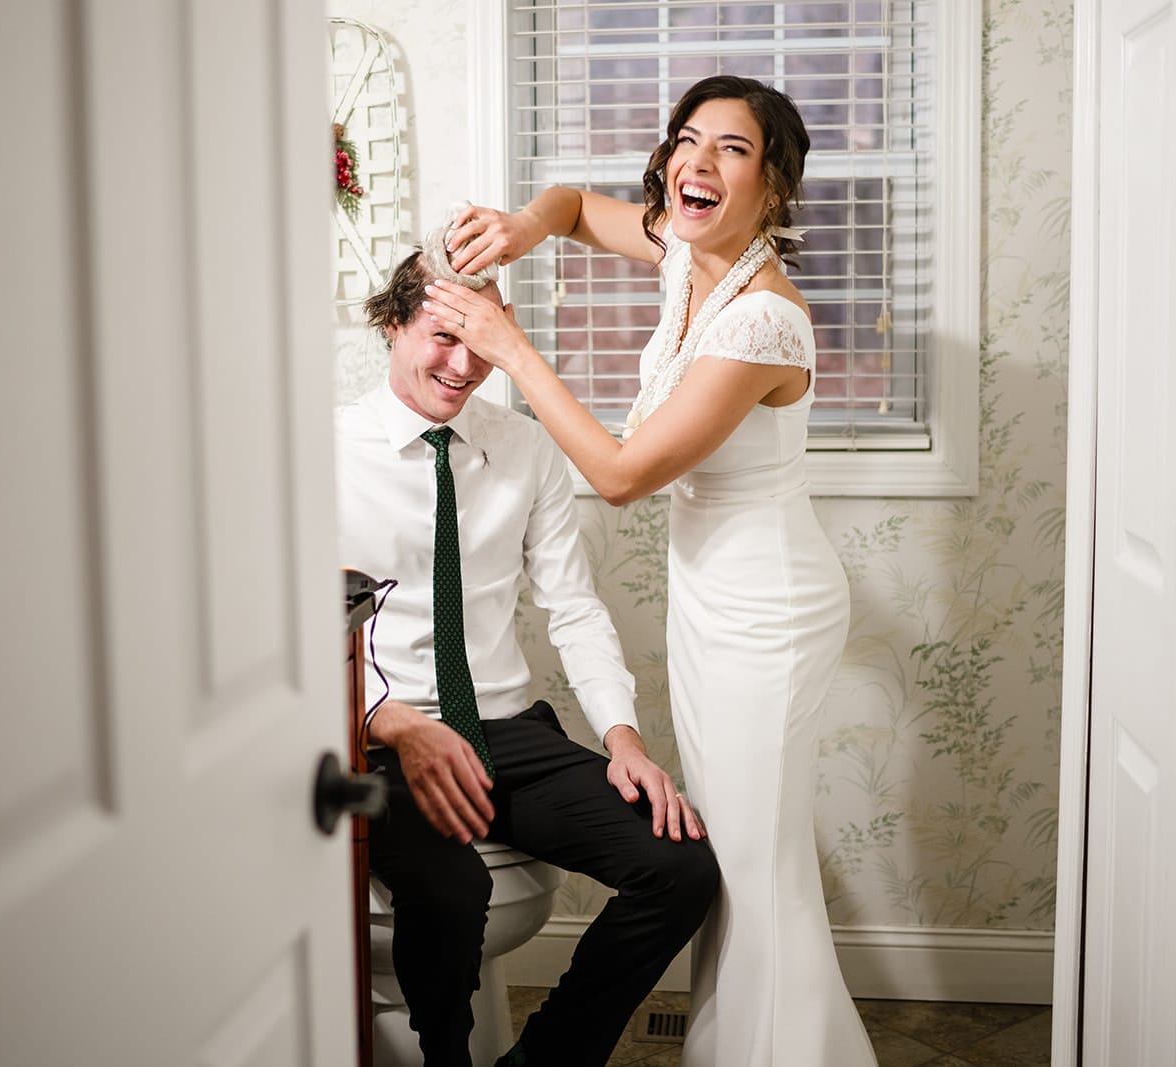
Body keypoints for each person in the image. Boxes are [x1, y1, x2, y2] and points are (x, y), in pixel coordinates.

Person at [420, 75, 879, 1067]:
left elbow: (621, 475)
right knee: (734, 860)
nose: (696, 163)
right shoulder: (686, 251)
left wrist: (513, 346)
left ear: (775, 187)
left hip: (769, 608)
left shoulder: (763, 320)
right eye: (686, 140)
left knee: (758, 870)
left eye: (731, 149)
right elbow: (577, 207)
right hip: (708, 597)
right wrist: (520, 226)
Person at [336, 242, 720, 1067]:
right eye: (442, 335)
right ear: (394, 326)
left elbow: (574, 607)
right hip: (384, 736)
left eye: (480, 339)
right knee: (455, 889)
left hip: (506, 727)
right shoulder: (321, 455)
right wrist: (391, 721)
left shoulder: (525, 448)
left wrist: (624, 738)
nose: (463, 362)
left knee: (680, 867)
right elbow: (294, 625)